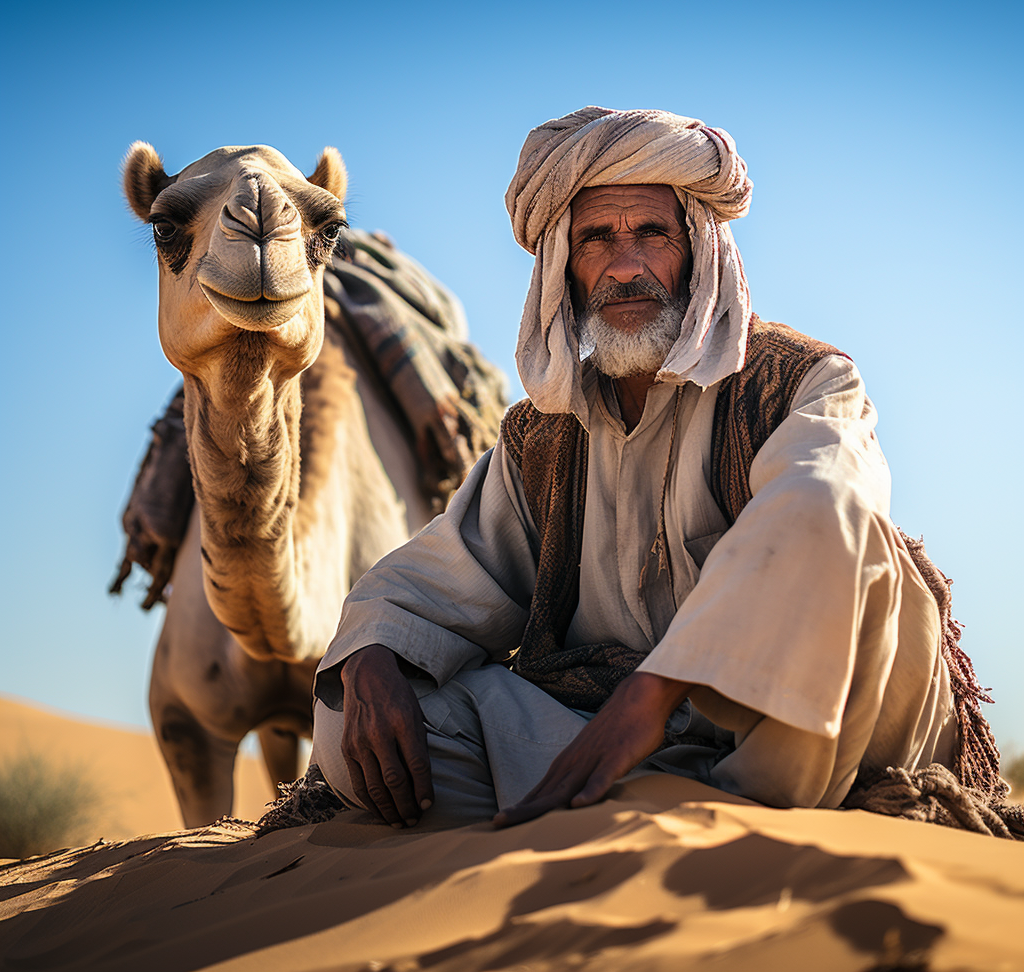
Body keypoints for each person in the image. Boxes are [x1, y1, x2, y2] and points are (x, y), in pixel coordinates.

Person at [309, 106, 1003, 832]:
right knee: (358, 721)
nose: (625, 265)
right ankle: (642, 807)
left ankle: (711, 812)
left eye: (652, 234)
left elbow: (824, 509)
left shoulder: (801, 381)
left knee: (852, 542)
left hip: (797, 735)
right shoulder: (543, 437)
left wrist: (659, 689)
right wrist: (377, 653)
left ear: (699, 250)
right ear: (564, 270)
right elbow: (443, 574)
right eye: (596, 239)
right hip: (605, 735)